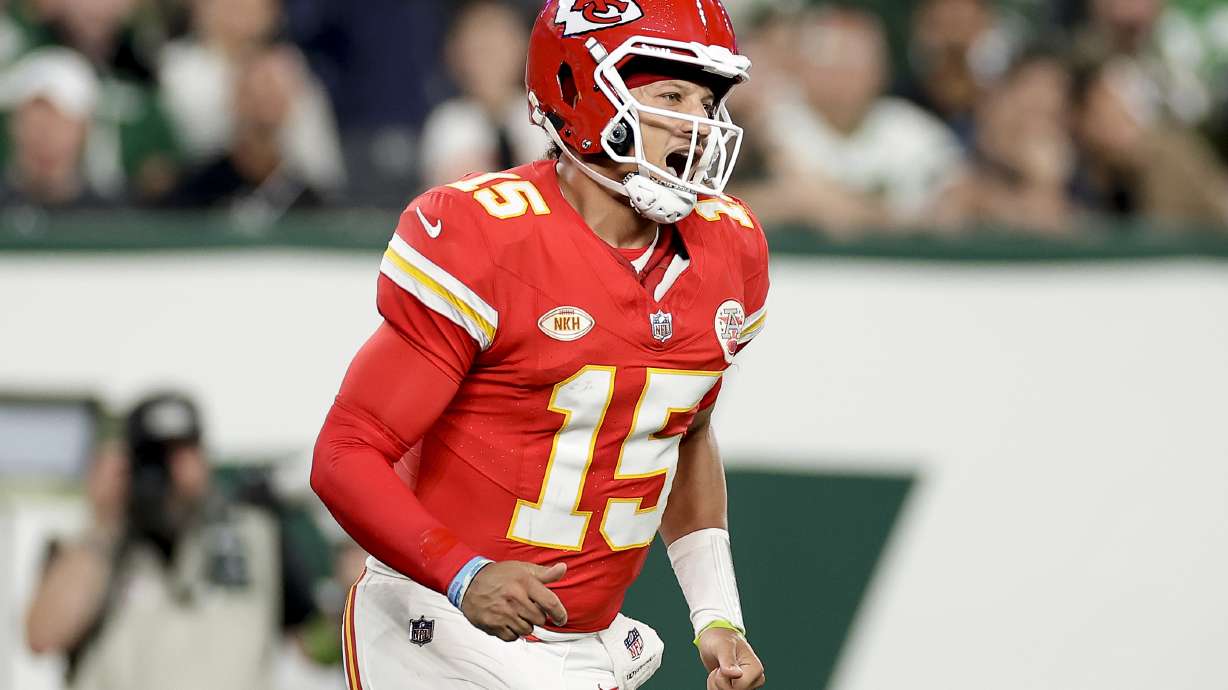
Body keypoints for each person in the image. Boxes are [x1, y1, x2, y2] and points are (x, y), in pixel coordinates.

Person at [310, 1, 768, 688]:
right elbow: (345, 454)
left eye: (705, 100)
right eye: (671, 94)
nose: (697, 125)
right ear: (581, 89)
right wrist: (465, 574)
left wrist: (717, 617)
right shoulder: (483, 235)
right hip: (439, 626)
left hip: (589, 646)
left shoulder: (728, 247)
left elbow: (685, 431)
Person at [25, 393, 284, 690]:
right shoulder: (88, 549)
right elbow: (42, 637)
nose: (171, 475)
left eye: (184, 452)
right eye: (156, 458)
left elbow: (315, 641)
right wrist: (105, 523)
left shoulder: (253, 537)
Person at [418, 1, 547, 188]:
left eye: (498, 45)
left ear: (523, 46)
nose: (489, 58)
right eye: (479, 48)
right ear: (454, 53)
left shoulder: (545, 118)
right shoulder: (447, 123)